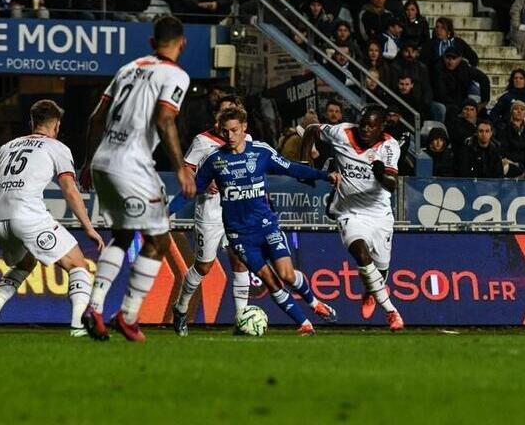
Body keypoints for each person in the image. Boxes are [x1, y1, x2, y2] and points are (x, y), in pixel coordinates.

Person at [169, 106, 339, 336]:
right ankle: (304, 323)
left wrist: (324, 176)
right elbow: (192, 190)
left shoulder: (260, 152)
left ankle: (313, 303)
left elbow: (291, 168)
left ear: (244, 128)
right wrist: (165, 213)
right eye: (225, 131)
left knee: (287, 274)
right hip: (239, 234)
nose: (230, 136)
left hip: (266, 225)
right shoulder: (214, 160)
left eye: (234, 130)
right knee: (267, 280)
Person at [80, 15, 196, 342]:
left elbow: (95, 117)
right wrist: (180, 168)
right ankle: (128, 316)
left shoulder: (127, 68)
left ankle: (95, 306)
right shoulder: (175, 74)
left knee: (122, 234)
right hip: (131, 164)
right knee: (158, 239)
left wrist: (89, 161)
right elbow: (164, 119)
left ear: (150, 43)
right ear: (182, 43)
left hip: (104, 160)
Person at [0, 100, 103, 337]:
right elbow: (69, 188)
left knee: (25, 263)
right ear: (56, 125)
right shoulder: (57, 147)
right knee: (78, 264)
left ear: (32, 122)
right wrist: (88, 226)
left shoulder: (9, 145)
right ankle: (79, 326)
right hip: (26, 214)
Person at [299, 105, 405, 330]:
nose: (365, 129)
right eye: (363, 124)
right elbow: (310, 130)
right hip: (349, 211)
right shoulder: (340, 133)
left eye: (371, 126)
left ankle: (370, 292)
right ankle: (392, 312)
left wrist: (380, 174)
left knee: (381, 269)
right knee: (360, 252)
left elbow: (392, 185)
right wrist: (305, 162)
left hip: (379, 214)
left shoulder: (389, 146)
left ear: (381, 127)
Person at [171, 95, 253, 335]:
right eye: (224, 112)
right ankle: (181, 307)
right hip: (210, 212)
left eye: (233, 112)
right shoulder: (202, 141)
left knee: (240, 261)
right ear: (216, 116)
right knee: (204, 267)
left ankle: (242, 320)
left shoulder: (246, 139)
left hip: (237, 211)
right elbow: (186, 172)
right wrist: (203, 183)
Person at [496, 101, 525, 178]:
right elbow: (502, 150)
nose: (519, 111)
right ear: (511, 112)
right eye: (516, 109)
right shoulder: (503, 129)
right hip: (508, 164)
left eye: (522, 109)